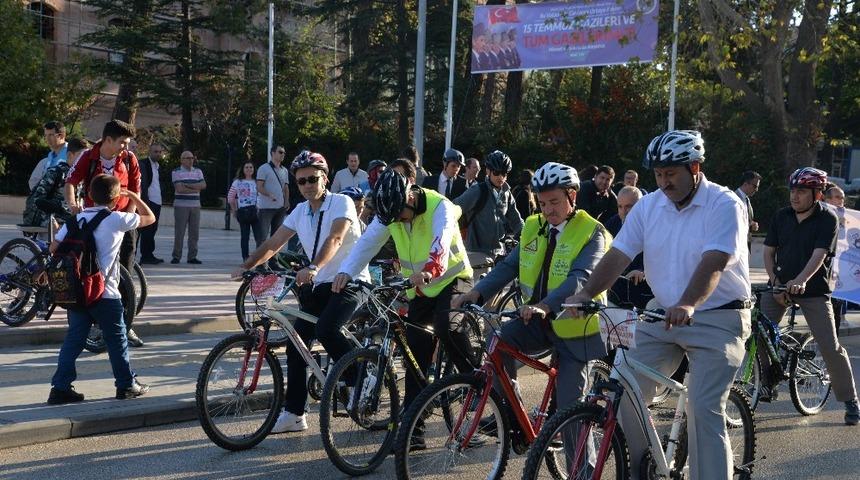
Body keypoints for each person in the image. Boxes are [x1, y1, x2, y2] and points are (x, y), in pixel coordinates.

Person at [565, 130, 752, 479]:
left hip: (719, 317)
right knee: (624, 389)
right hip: (661, 314)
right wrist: (585, 294)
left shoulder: (724, 204)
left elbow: (714, 261)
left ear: (695, 168)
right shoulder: (650, 206)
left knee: (703, 407)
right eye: (659, 175)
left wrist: (688, 303)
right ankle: (644, 468)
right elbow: (618, 255)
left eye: (672, 174)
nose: (664, 182)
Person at [452, 161, 609, 444]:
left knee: (570, 415)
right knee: (497, 341)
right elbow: (509, 266)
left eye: (555, 202)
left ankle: (582, 473)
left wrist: (545, 305)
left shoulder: (592, 231)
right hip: (535, 321)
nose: (547, 210)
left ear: (572, 196)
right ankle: (514, 419)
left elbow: (580, 278)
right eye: (542, 202)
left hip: (575, 327)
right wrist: (476, 293)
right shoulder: (534, 226)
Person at [232, 151, 368, 433]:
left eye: (312, 179)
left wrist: (315, 267)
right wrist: (247, 266)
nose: (307, 185)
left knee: (327, 330)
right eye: (301, 181)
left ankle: (359, 376)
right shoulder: (299, 211)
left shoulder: (341, 202)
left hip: (350, 282)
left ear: (325, 178)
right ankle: (294, 412)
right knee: (296, 343)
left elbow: (336, 237)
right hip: (321, 286)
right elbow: (275, 242)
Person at [332, 169, 475, 428]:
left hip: (453, 279)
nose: (396, 220)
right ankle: (413, 430)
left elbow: (440, 243)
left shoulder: (439, 206)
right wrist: (345, 272)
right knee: (415, 355)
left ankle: (476, 380)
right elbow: (367, 243)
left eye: (400, 214)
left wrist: (431, 269)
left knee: (446, 327)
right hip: (419, 288)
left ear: (409, 197)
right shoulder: (391, 211)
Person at [48, 174, 155, 405]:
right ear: (116, 199)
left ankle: (60, 387)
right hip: (105, 293)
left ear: (89, 195)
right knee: (117, 340)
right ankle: (126, 385)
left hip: (77, 292)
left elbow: (54, 247)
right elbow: (150, 218)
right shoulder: (116, 219)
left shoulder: (74, 220)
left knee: (74, 340)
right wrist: (135, 197)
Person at [762, 167, 858, 425]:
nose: (795, 196)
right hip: (780, 286)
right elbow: (769, 251)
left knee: (830, 346)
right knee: (758, 334)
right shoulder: (782, 216)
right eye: (793, 190)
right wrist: (775, 282)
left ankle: (850, 400)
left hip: (813, 290)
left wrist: (801, 281)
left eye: (801, 191)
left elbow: (819, 255)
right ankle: (766, 381)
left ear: (817, 194)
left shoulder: (828, 218)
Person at [64, 119, 143, 348]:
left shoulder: (129, 159)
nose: (125, 147)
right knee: (91, 270)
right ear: (108, 140)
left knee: (123, 275)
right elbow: (71, 182)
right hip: (95, 221)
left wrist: (127, 219)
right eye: (122, 142)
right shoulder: (88, 157)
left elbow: (135, 190)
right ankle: (93, 321)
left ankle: (126, 325)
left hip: (121, 221)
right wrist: (72, 204)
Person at [454, 150, 523, 257]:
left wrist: (528, 236)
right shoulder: (477, 190)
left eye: (504, 174)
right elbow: (453, 208)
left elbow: (517, 221)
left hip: (499, 254)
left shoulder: (507, 194)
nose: (500, 177)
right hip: (476, 252)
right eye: (496, 173)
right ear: (488, 171)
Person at [23, 137, 89, 229]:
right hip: (49, 219)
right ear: (70, 155)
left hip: (69, 219)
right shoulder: (56, 172)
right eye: (81, 157)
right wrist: (57, 209)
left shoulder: (82, 177)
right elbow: (37, 200)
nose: (85, 161)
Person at [604, 186, 652, 309]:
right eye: (620, 206)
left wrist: (643, 270)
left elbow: (660, 256)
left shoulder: (653, 226)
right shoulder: (612, 224)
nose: (623, 211)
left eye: (629, 206)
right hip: (617, 284)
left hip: (644, 287)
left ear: (641, 206)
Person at [170, 151, 206, 264]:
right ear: (182, 160)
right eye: (188, 158)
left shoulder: (198, 171)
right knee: (179, 232)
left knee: (194, 233)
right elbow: (179, 189)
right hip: (181, 206)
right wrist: (196, 188)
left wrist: (187, 185)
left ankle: (192, 257)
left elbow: (203, 185)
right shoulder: (176, 172)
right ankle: (176, 256)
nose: (191, 160)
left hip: (195, 206)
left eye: (192, 158)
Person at [228, 161, 264, 260]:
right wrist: (234, 210)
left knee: (259, 237)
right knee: (245, 236)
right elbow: (230, 197)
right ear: (243, 170)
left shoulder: (257, 182)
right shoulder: (237, 182)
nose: (249, 169)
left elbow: (260, 196)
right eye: (246, 167)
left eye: (251, 167)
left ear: (254, 169)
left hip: (254, 211)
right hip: (243, 211)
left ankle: (259, 257)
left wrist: (258, 207)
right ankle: (245, 257)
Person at [824, 184, 847, 335]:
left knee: (835, 308)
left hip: (837, 271)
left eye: (842, 198)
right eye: (838, 197)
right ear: (827, 199)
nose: (841, 201)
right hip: (820, 269)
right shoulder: (820, 215)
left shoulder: (845, 217)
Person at [137, 143, 166, 264]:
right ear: (149, 152)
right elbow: (143, 184)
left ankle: (149, 254)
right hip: (149, 201)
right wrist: (145, 201)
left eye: (160, 152)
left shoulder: (159, 166)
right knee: (147, 230)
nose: (158, 154)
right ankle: (145, 256)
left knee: (153, 229)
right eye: (155, 152)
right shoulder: (144, 164)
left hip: (157, 201)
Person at [257, 145, 291, 237]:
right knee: (262, 237)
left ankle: (273, 252)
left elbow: (286, 188)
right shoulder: (263, 168)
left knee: (276, 237)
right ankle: (261, 252)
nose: (283, 154)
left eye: (284, 153)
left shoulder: (285, 170)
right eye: (280, 152)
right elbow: (259, 187)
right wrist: (269, 194)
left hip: (280, 208)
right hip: (266, 208)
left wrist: (287, 201)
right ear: (273, 153)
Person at [29, 121, 68, 191]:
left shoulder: (73, 154)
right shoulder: (48, 158)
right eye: (45, 135)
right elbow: (33, 181)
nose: (47, 139)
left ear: (61, 136)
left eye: (51, 135)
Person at [734, 170, 761, 247]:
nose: (756, 190)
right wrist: (749, 225)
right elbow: (733, 222)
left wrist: (751, 224)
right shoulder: (734, 199)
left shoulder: (746, 199)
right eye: (755, 186)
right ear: (745, 184)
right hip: (736, 244)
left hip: (745, 243)